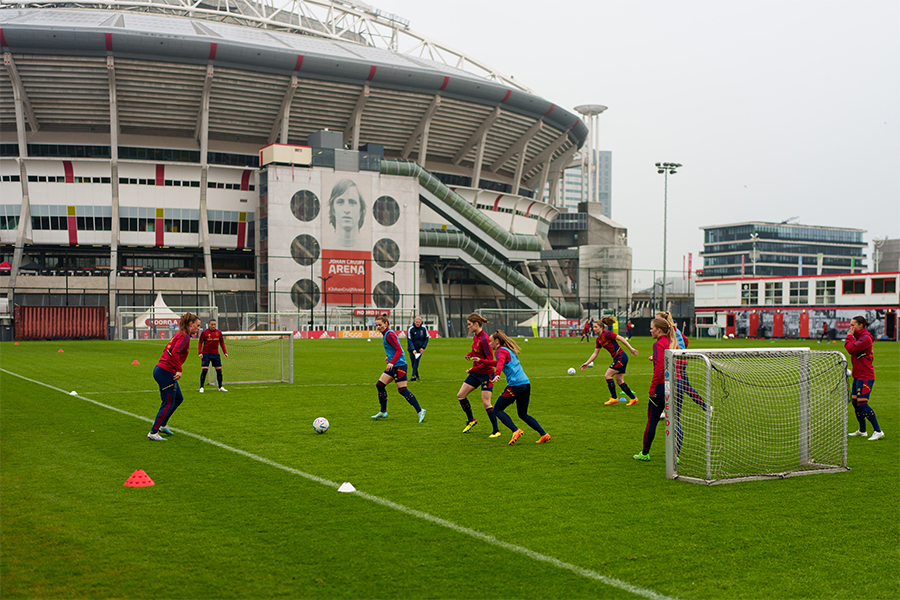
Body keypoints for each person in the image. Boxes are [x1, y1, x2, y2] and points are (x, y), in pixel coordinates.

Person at [476, 330, 551, 445]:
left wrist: (497, 374)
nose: (489, 344)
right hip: (525, 383)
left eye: (491, 342)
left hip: (516, 385)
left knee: (497, 410)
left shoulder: (500, 351)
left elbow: (500, 363)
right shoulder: (507, 350)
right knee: (522, 414)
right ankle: (544, 434)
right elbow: (499, 363)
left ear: (497, 341)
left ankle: (516, 430)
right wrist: (481, 360)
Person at [148, 312, 201, 441]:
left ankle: (162, 425)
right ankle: (153, 432)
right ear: (190, 324)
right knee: (168, 402)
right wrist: (178, 369)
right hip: (165, 372)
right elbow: (175, 352)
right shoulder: (185, 337)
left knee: (178, 399)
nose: (198, 328)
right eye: (197, 325)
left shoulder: (180, 334)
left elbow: (167, 350)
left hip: (161, 369)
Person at [634, 317, 677, 461]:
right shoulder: (673, 342)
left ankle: (645, 453)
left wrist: (652, 387)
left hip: (661, 386)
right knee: (676, 421)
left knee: (652, 420)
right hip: (676, 385)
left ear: (659, 330)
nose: (650, 330)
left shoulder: (658, 344)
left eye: (652, 328)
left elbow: (660, 367)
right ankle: (675, 457)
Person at [371, 314, 425, 423]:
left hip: (399, 366)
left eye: (380, 325)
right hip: (394, 365)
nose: (378, 327)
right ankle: (383, 412)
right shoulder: (386, 334)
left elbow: (399, 350)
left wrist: (391, 362)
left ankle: (420, 411)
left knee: (402, 390)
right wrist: (388, 357)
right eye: (377, 325)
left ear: (386, 324)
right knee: (380, 385)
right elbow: (392, 349)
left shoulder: (389, 334)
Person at [457, 313, 500, 437]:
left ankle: (496, 430)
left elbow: (489, 360)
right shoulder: (476, 337)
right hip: (476, 372)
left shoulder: (485, 339)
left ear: (476, 324)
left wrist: (473, 369)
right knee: (461, 395)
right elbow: (476, 350)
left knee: (486, 402)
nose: (468, 327)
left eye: (470, 324)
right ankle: (471, 420)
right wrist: (470, 354)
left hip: (486, 374)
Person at [580, 316, 639, 406]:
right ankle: (633, 398)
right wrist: (587, 363)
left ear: (601, 327)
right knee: (619, 381)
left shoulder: (607, 333)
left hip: (621, 356)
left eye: (596, 327)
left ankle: (614, 398)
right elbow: (595, 353)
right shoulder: (598, 340)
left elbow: (621, 338)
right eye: (593, 327)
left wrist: (631, 348)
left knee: (607, 375)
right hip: (618, 358)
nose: (594, 329)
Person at [845, 316, 883, 440]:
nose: (851, 328)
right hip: (858, 376)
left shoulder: (865, 338)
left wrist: (849, 337)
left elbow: (851, 349)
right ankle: (862, 430)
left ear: (861, 325)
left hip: (865, 376)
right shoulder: (859, 337)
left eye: (853, 325)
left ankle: (878, 431)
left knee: (862, 403)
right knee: (856, 403)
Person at [328, 179, 366, 249]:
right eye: (340, 202)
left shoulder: (366, 247)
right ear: (333, 209)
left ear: (361, 210)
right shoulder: (327, 245)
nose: (346, 210)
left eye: (352, 202)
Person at [198, 318, 228, 392]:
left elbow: (222, 343)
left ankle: (220, 387)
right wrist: (200, 352)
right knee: (204, 370)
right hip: (206, 354)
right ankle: (201, 387)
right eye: (212, 324)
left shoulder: (219, 333)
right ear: (209, 324)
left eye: (214, 324)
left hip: (215, 354)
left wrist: (225, 352)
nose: (213, 326)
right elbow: (200, 342)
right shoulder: (204, 333)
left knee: (219, 371)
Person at [407, 316, 429, 381]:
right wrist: (413, 349)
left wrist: (423, 348)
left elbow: (426, 338)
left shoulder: (424, 328)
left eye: (419, 322)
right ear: (414, 322)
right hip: (412, 349)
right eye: (416, 322)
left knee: (416, 361)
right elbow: (409, 340)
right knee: (413, 362)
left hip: (419, 349)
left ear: (421, 322)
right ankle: (417, 376)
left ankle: (413, 375)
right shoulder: (411, 329)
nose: (417, 323)